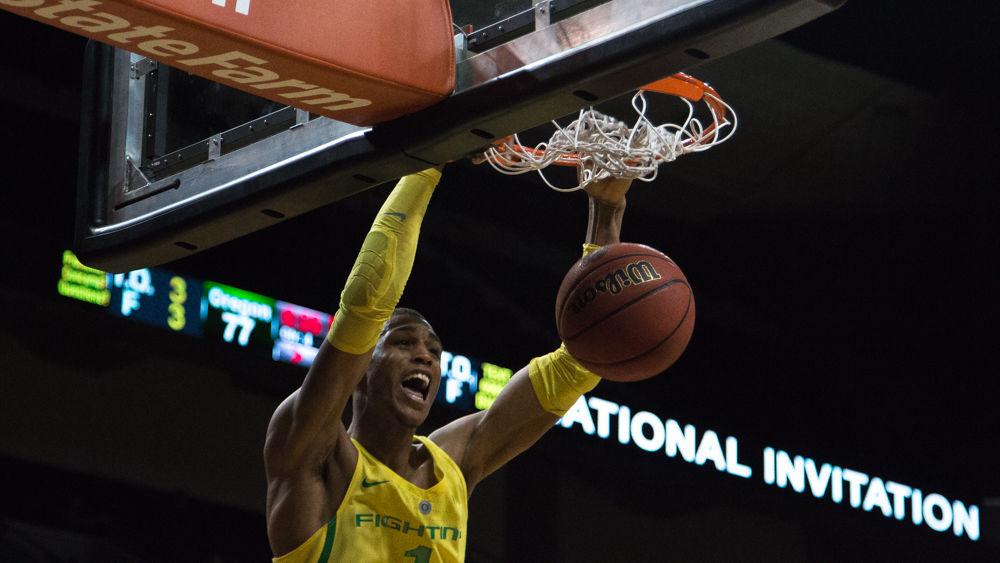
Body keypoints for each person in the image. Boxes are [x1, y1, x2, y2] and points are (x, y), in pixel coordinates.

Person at [264, 166, 632, 562]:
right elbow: (366, 302)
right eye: (403, 342)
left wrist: (607, 209)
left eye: (435, 351)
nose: (424, 355)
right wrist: (425, 163)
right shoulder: (315, 453)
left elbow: (579, 364)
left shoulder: (449, 465)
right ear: (362, 369)